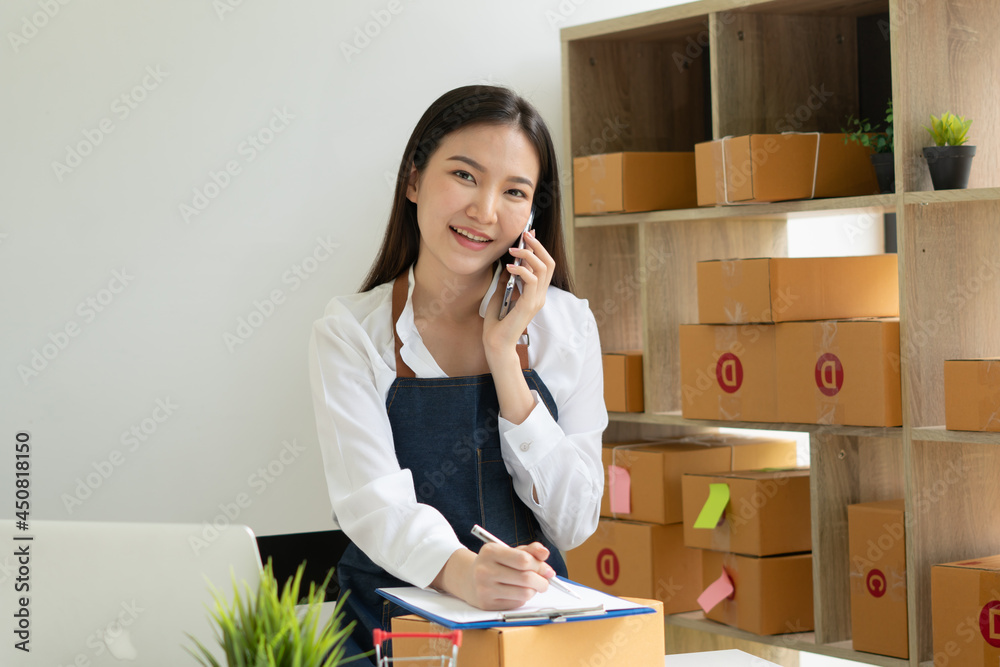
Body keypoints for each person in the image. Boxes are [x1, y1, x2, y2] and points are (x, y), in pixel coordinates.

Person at [308, 84, 607, 660]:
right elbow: (373, 503)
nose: (485, 211)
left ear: (532, 214)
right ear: (415, 180)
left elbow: (573, 521)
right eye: (465, 176)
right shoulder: (350, 332)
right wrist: (463, 572)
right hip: (385, 628)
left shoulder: (565, 327)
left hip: (528, 627)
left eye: (514, 191)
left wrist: (503, 356)